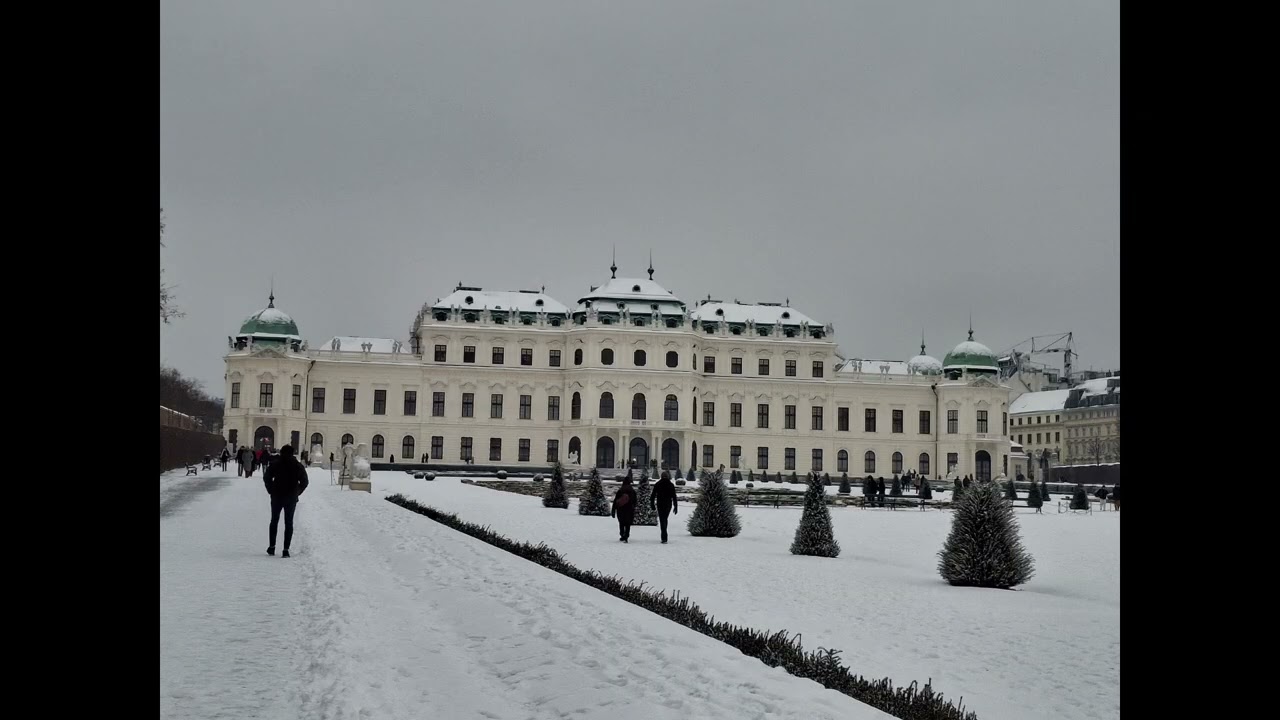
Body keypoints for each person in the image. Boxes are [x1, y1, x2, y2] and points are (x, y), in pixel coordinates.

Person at [263, 444, 309, 557]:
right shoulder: (297, 466)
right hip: (291, 497)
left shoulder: (276, 464)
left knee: (274, 521)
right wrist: (297, 492)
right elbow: (305, 481)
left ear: (282, 452)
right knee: (289, 523)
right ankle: (285, 549)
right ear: (292, 453)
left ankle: (272, 547)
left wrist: (271, 489)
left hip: (277, 495)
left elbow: (267, 477)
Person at [651, 470, 679, 544]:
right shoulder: (670, 484)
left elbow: (653, 495)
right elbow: (674, 497)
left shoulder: (658, 484)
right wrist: (676, 506)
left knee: (662, 519)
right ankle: (664, 534)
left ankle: (664, 535)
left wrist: (652, 505)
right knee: (665, 518)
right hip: (668, 504)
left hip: (660, 503)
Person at [611, 475, 638, 543]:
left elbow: (615, 501)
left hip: (621, 508)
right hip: (629, 509)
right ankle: (626, 535)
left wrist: (613, 510)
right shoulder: (632, 491)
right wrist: (634, 507)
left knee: (621, 522)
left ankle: (622, 534)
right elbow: (635, 501)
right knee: (628, 523)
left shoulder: (621, 490)